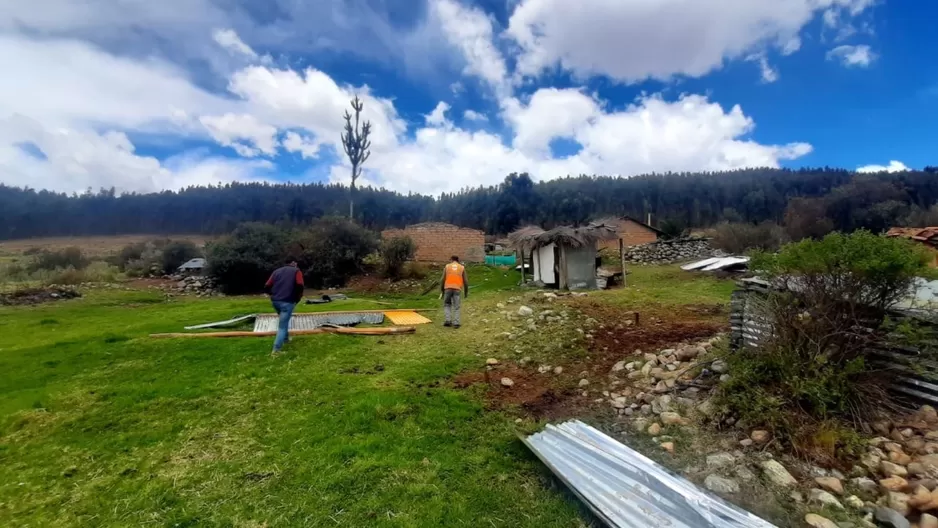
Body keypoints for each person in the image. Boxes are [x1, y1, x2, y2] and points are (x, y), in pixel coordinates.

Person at [264, 258, 304, 355]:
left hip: (275, 302)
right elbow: (300, 285)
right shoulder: (296, 271)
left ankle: (286, 340)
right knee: (282, 326)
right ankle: (276, 350)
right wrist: (297, 299)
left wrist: (272, 295)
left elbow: (267, 286)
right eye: (296, 262)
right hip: (288, 302)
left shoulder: (276, 271)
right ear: (293, 262)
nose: (297, 264)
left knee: (284, 321)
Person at [440, 255, 468, 328]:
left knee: (447, 304)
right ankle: (456, 323)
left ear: (451, 260)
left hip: (448, 288)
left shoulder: (447, 266)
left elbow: (442, 279)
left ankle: (448, 321)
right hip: (457, 289)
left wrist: (442, 290)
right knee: (457, 306)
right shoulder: (461, 267)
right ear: (457, 260)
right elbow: (466, 281)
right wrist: (466, 292)